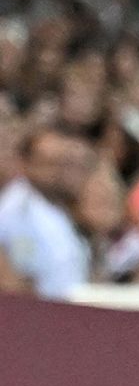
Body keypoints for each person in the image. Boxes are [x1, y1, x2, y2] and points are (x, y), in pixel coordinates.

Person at [0, 125, 97, 297]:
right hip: (44, 313)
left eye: (63, 164)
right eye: (49, 164)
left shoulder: (58, 204)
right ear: (26, 164)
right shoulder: (18, 210)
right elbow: (21, 273)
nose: (57, 172)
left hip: (74, 309)